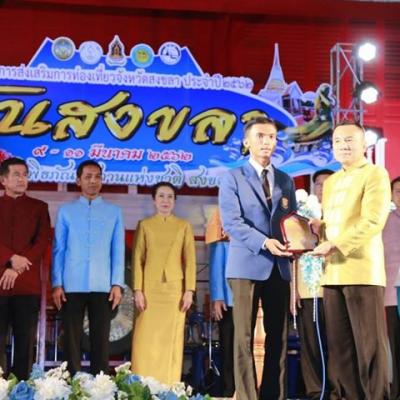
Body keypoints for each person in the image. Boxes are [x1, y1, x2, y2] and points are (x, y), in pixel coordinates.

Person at [219, 116, 296, 400]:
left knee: (279, 336)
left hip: (280, 266)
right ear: (247, 142)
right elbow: (232, 223)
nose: (267, 142)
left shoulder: (286, 179)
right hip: (245, 265)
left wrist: (300, 238)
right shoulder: (232, 177)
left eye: (272, 137)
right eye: (260, 136)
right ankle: (247, 395)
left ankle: (273, 395)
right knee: (243, 337)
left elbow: (291, 222)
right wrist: (265, 242)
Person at [312, 121, 391, 400]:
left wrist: (336, 244)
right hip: (332, 273)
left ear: (364, 144)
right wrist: (318, 227)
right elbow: (334, 223)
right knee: (340, 348)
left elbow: (373, 220)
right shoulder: (331, 182)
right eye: (337, 141)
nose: (343, 146)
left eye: (349, 140)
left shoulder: (375, 174)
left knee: (370, 346)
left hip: (363, 270)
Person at [52, 160, 125, 376]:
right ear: (78, 181)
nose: (93, 181)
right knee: (71, 338)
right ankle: (72, 382)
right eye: (88, 177)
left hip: (103, 284)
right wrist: (57, 283)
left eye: (97, 177)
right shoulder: (66, 211)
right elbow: (59, 249)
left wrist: (117, 283)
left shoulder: (114, 212)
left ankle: (99, 385)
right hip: (71, 283)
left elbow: (118, 250)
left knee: (101, 338)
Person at [131, 182, 196, 385]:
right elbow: (137, 259)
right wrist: (138, 289)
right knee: (145, 339)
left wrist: (189, 290)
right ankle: (142, 384)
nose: (165, 200)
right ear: (154, 200)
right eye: (161, 196)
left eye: (170, 196)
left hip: (174, 291)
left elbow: (190, 260)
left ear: (175, 201)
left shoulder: (184, 226)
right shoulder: (145, 225)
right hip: (148, 291)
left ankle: (169, 386)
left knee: (171, 340)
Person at [0, 157, 50, 380]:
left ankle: (21, 388)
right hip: (0, 282)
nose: (22, 179)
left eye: (25, 175)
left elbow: (42, 241)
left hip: (26, 285)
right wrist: (10, 258)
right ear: (3, 180)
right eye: (16, 174)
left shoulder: (39, 207)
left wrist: (17, 267)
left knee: (25, 343)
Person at [295, 169, 333, 400]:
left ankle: (338, 389)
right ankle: (315, 391)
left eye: (327, 184)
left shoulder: (341, 214)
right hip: (308, 288)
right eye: (318, 184)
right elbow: (293, 253)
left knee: (337, 343)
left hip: (335, 286)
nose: (322, 188)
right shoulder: (300, 215)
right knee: (309, 343)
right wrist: (293, 290)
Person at [206, 207, 234, 397]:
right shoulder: (220, 216)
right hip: (227, 299)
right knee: (228, 348)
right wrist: (217, 296)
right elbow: (216, 261)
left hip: (250, 298)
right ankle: (228, 390)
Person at [382, 176, 400, 400]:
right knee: (394, 345)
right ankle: (395, 392)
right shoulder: (384, 222)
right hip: (391, 295)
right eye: (397, 191)